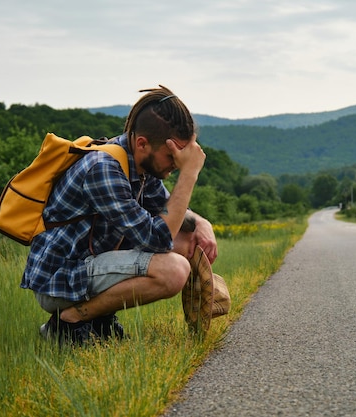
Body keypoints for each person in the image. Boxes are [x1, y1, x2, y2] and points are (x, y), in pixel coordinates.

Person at [20, 85, 218, 345]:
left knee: (188, 240)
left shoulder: (138, 163)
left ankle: (100, 321)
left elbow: (169, 208)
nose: (177, 163)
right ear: (142, 143)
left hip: (88, 266)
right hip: (61, 280)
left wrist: (201, 223)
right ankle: (70, 322)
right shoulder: (103, 169)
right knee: (174, 270)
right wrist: (189, 174)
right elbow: (159, 239)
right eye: (172, 155)